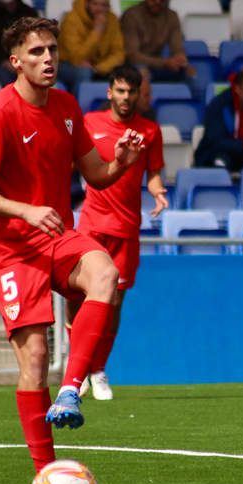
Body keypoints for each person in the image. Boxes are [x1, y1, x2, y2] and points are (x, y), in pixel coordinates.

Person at [0, 17, 145, 473]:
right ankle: (47, 472)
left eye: (53, 50)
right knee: (35, 358)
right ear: (15, 62)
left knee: (105, 275)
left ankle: (71, 389)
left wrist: (119, 160)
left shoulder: (65, 106)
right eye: (37, 51)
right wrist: (24, 210)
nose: (48, 58)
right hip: (12, 251)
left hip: (56, 237)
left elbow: (95, 174)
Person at [71, 64, 168, 400]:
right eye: (121, 91)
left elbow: (153, 173)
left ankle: (97, 369)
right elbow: (73, 162)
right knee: (79, 299)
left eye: (132, 92)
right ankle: (77, 372)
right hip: (92, 225)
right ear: (110, 92)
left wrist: (158, 191)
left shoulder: (151, 131)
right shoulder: (90, 123)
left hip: (127, 229)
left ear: (140, 94)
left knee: (112, 305)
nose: (126, 98)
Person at [120, 0, 199, 96]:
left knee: (190, 72)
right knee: (142, 73)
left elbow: (177, 46)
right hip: (133, 65)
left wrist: (180, 60)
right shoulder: (131, 15)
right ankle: (143, 108)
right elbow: (132, 55)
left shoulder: (172, 16)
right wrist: (164, 63)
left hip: (159, 64)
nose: (157, 2)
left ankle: (192, 108)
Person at [57, 0, 125, 93]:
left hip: (97, 66)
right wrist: (97, 31)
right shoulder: (72, 19)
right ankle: (79, 106)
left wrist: (98, 68)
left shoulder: (112, 19)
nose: (99, 9)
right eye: (95, 4)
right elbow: (76, 58)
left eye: (104, 5)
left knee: (123, 73)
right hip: (67, 65)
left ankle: (109, 106)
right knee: (84, 73)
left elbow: (118, 53)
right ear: (87, 3)